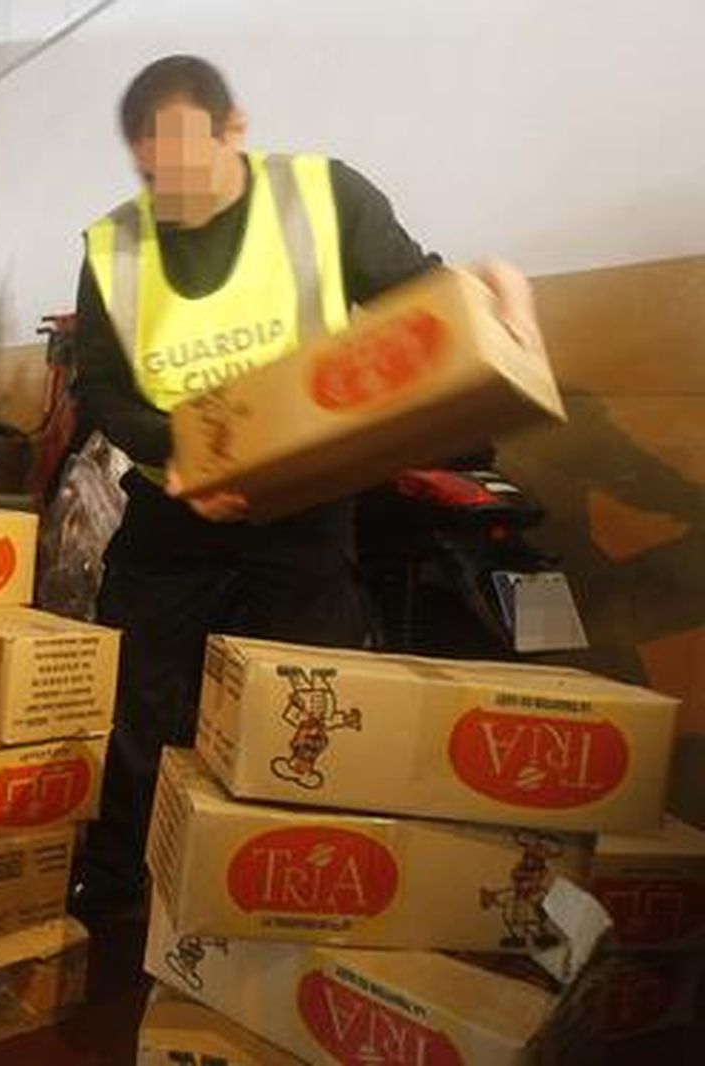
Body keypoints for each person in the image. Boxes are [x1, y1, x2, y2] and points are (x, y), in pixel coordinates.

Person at [68, 55, 542, 918]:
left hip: (305, 514)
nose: (171, 195)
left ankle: (292, 884)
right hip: (174, 511)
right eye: (150, 175)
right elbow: (97, 384)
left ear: (235, 129)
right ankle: (117, 892)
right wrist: (183, 457)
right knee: (141, 706)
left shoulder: (324, 200)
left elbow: (421, 301)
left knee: (310, 704)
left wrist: (488, 296)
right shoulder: (113, 245)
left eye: (187, 167)